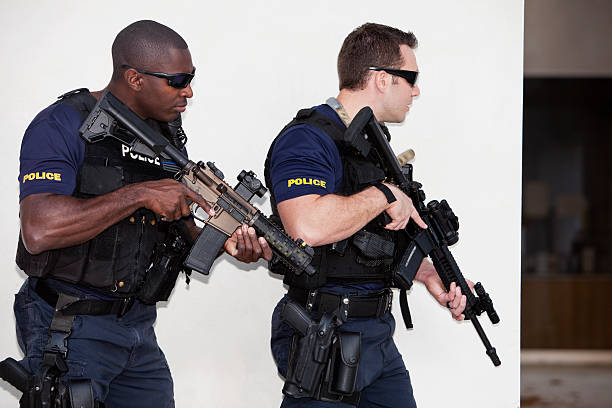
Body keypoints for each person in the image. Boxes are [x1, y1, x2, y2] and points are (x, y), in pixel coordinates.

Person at [13, 20, 271, 407]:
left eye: (191, 78)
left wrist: (228, 244)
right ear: (134, 78)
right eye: (178, 80)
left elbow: (187, 236)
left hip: (136, 329)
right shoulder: (63, 124)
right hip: (69, 326)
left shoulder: (165, 138)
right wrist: (139, 194)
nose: (189, 91)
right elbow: (38, 228)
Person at [266, 23, 473, 407]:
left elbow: (368, 238)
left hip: (376, 335)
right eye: (410, 78)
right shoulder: (308, 138)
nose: (416, 90)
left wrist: (427, 273)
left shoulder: (371, 143)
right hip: (324, 334)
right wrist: (383, 194)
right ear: (380, 79)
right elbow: (306, 226)